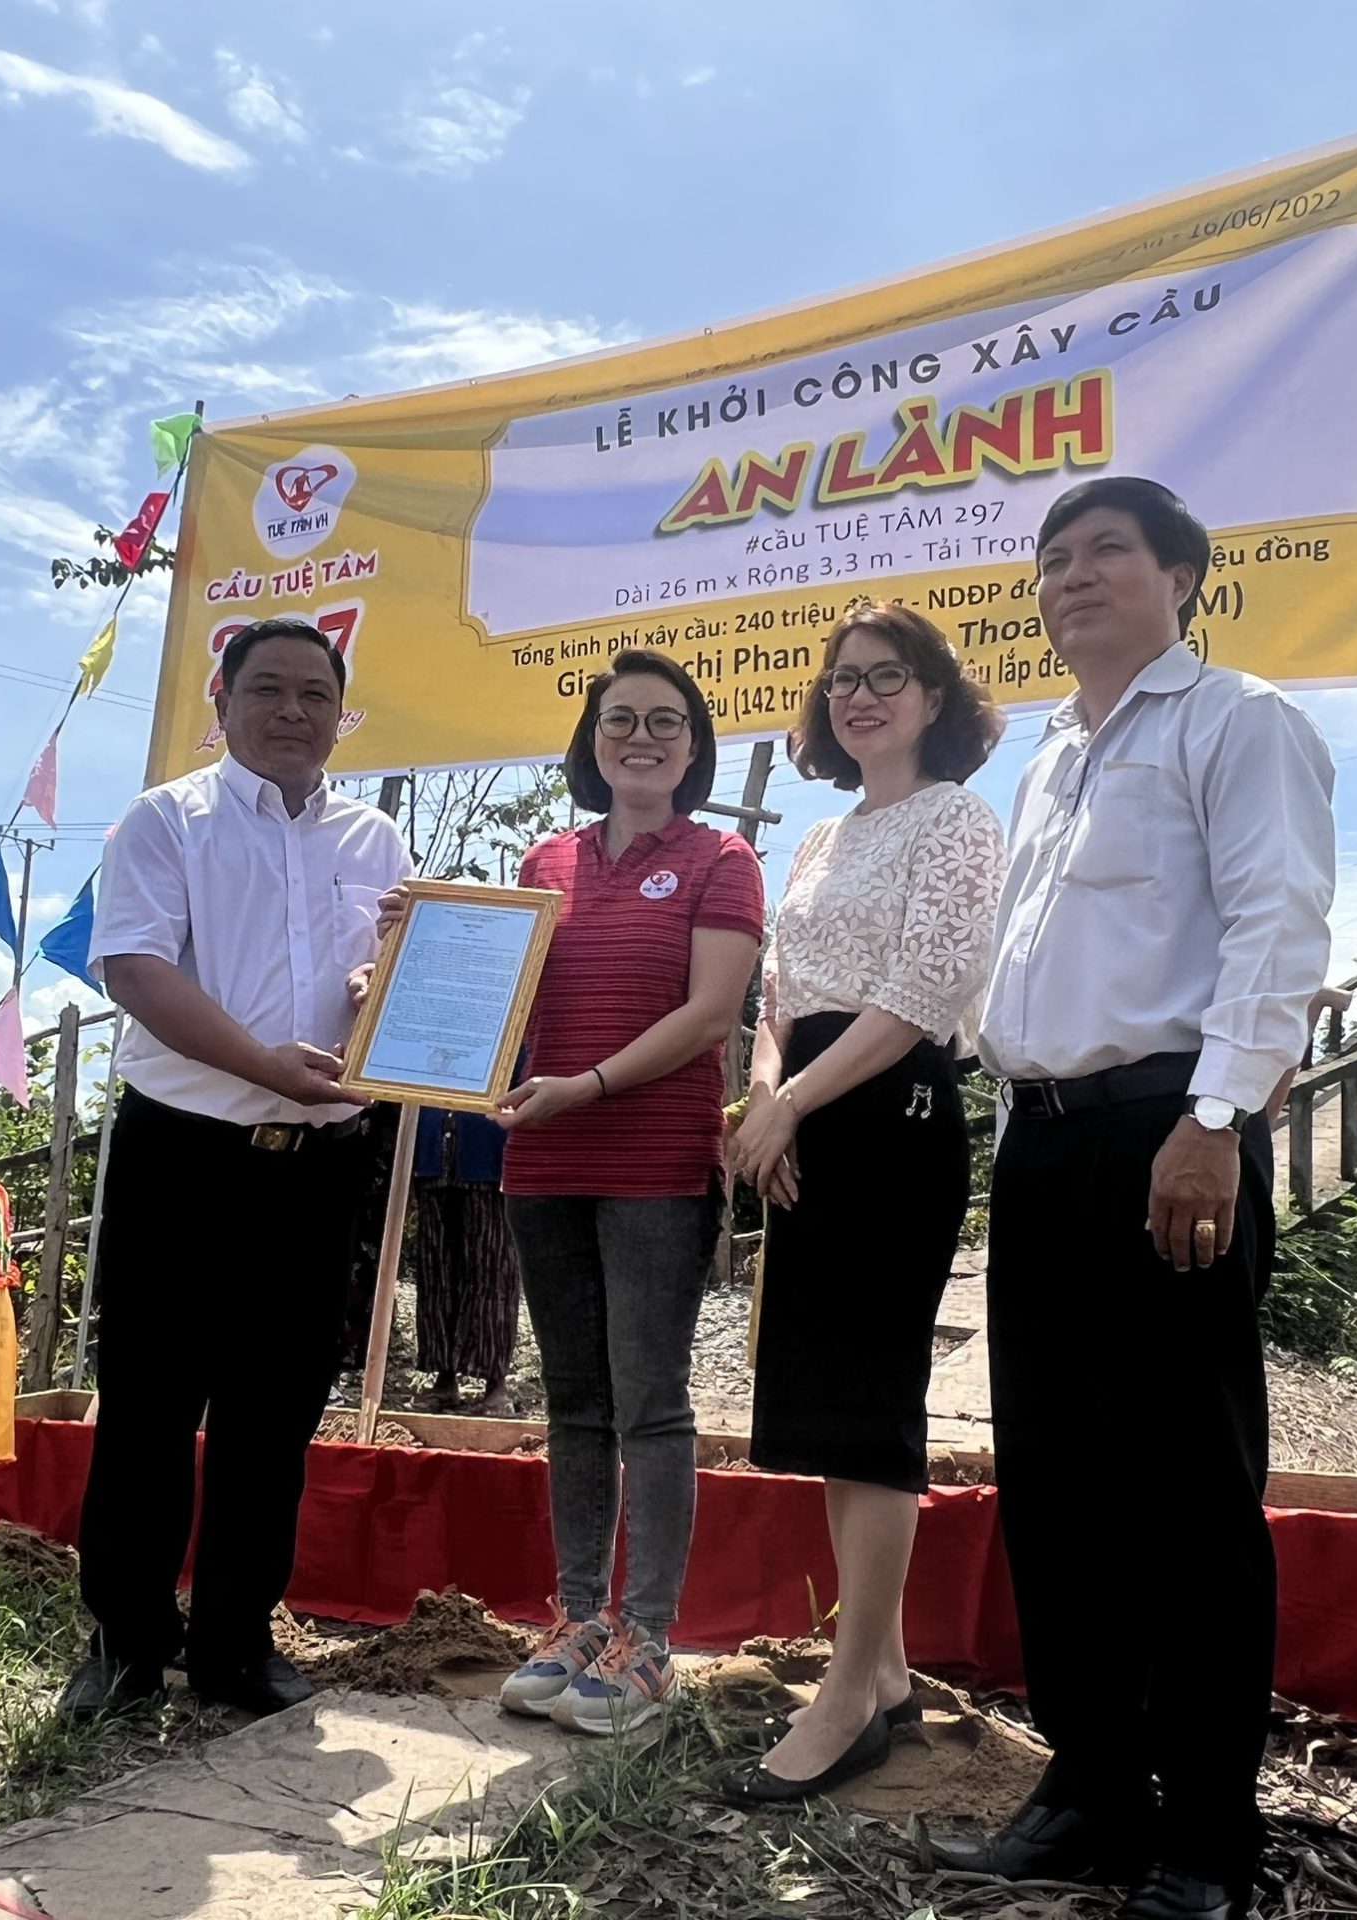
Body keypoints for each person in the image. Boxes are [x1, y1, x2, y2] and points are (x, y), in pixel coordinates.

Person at [935, 477, 1334, 1920]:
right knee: (1055, 1484)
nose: (1072, 578)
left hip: (1173, 1132)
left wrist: (1217, 1117)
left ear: (1182, 579)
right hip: (1042, 1147)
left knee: (1188, 1491)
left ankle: (1208, 1836)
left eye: (1107, 550)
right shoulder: (1047, 758)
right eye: (1053, 560)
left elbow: (1279, 921)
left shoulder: (1240, 721)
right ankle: (1092, 1787)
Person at [60, 614, 411, 1723]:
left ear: (341, 714)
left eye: (316, 694)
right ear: (222, 702)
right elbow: (134, 969)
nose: (292, 711)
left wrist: (382, 995)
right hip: (185, 1150)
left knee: (276, 1411)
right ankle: (125, 1641)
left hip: (321, 1166)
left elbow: (382, 983)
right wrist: (266, 1065)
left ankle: (234, 1642)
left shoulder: (377, 843)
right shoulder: (166, 821)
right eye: (268, 689)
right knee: (149, 1403)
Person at [721, 601, 1006, 1804]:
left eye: (887, 676)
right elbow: (778, 998)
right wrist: (765, 1100)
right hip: (804, 1115)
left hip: (892, 1114)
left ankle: (845, 1697)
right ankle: (879, 1672)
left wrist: (793, 1103)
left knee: (872, 1401)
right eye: (842, 679)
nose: (860, 696)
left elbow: (921, 991)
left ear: (935, 698)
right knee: (826, 1408)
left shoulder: (958, 820)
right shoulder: (819, 840)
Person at [488, 648, 764, 1735]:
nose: (640, 738)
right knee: (573, 1401)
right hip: (542, 1163)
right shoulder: (543, 859)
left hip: (654, 1166)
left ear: (693, 749)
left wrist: (589, 1085)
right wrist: (404, 964)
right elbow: (502, 996)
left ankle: (647, 1637)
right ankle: (576, 1619)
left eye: (664, 721)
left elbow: (710, 1017)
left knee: (649, 1402)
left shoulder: (721, 859)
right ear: (591, 742)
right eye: (619, 720)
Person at [410, 1106, 519, 1413]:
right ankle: (444, 1378)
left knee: (493, 1268)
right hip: (432, 1153)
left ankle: (495, 1383)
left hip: (488, 1150)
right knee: (436, 1271)